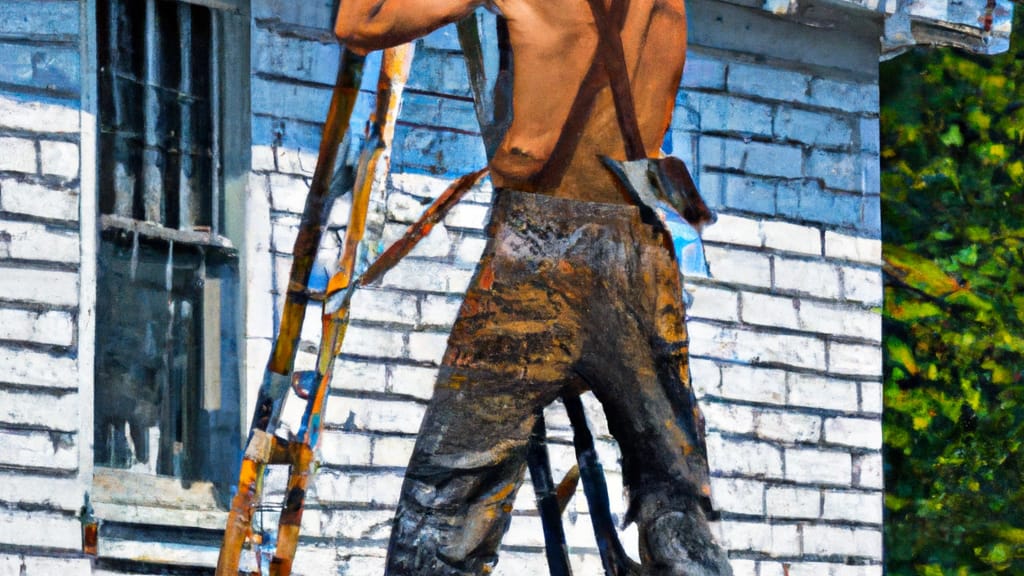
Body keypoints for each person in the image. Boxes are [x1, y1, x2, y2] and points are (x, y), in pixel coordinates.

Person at [335, 1, 733, 574]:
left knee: (447, 502)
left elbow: (360, 23)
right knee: (674, 493)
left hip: (539, 253)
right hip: (638, 246)